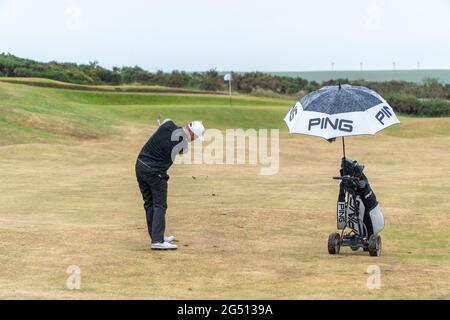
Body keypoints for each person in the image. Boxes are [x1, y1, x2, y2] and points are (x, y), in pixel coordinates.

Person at [135, 119, 205, 250]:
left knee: (149, 203)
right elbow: (182, 149)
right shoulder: (183, 144)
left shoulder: (168, 125)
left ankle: (156, 236)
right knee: (159, 205)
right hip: (155, 173)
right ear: (193, 135)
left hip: (140, 166)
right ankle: (157, 240)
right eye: (195, 138)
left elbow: (167, 122)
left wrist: (165, 126)